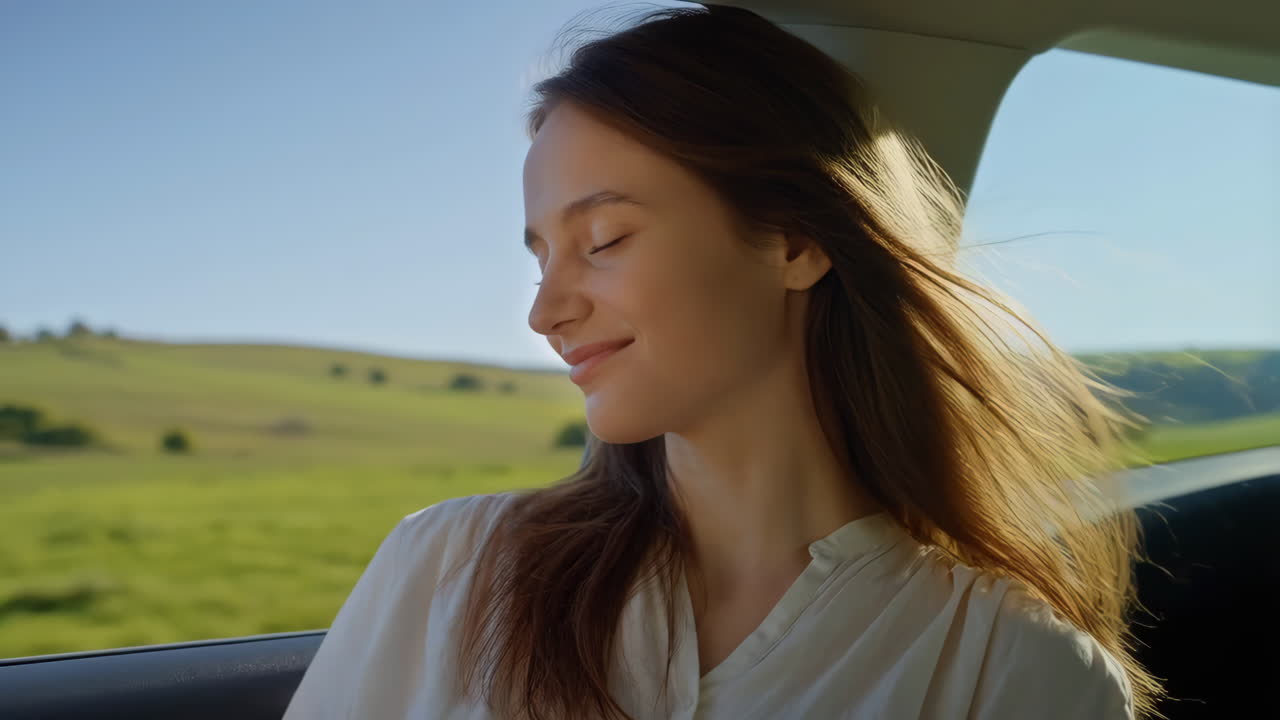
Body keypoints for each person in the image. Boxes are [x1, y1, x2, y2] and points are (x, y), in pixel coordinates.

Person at [282, 5, 1165, 719]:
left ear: (795, 238)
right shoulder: (451, 568)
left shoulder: (1017, 674)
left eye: (604, 239)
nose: (546, 312)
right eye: (541, 255)